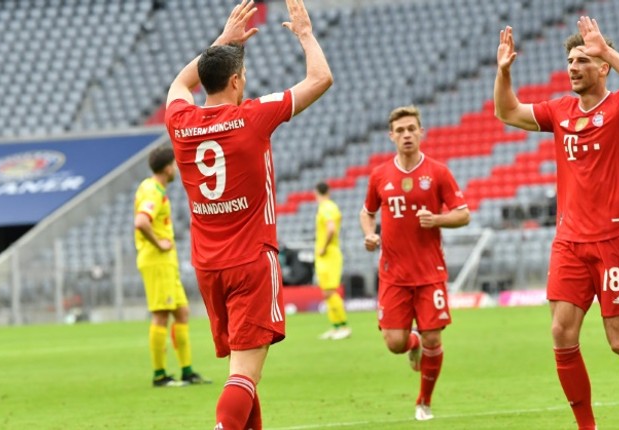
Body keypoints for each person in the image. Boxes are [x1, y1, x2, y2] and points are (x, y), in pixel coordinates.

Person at [493, 17, 619, 430]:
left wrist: (606, 50)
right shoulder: (560, 110)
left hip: (615, 240)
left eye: (582, 60)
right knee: (560, 333)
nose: (573, 67)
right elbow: (508, 111)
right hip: (569, 241)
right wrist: (503, 73)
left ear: (602, 67)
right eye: (570, 60)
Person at [164, 0, 332, 428]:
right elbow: (320, 78)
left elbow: (179, 84)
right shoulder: (252, 117)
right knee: (244, 374)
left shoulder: (181, 121)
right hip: (252, 261)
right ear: (237, 80)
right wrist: (305, 34)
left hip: (208, 266)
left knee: (242, 370)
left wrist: (222, 41)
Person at [359, 106, 470, 421]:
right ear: (391, 136)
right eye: (401, 130)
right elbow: (367, 211)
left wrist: (437, 219)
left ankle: (423, 402)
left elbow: (463, 213)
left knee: (434, 337)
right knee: (394, 343)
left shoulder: (438, 172)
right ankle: (412, 343)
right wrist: (369, 234)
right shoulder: (380, 175)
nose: (407, 134)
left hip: (430, 272)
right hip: (393, 274)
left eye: (412, 129)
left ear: (422, 132)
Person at [134, 144, 210, 387]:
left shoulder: (151, 187)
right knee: (161, 315)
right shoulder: (153, 191)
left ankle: (187, 371)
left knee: (182, 312)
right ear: (168, 168)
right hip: (157, 260)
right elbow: (141, 221)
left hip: (166, 262)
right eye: (175, 165)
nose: (177, 169)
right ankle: (160, 375)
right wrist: (159, 243)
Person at [313, 181, 350, 340]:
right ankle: (336, 327)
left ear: (316, 192)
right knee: (327, 293)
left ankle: (343, 326)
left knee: (330, 292)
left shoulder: (326, 207)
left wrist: (323, 247)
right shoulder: (332, 206)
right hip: (327, 255)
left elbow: (331, 229)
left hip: (329, 255)